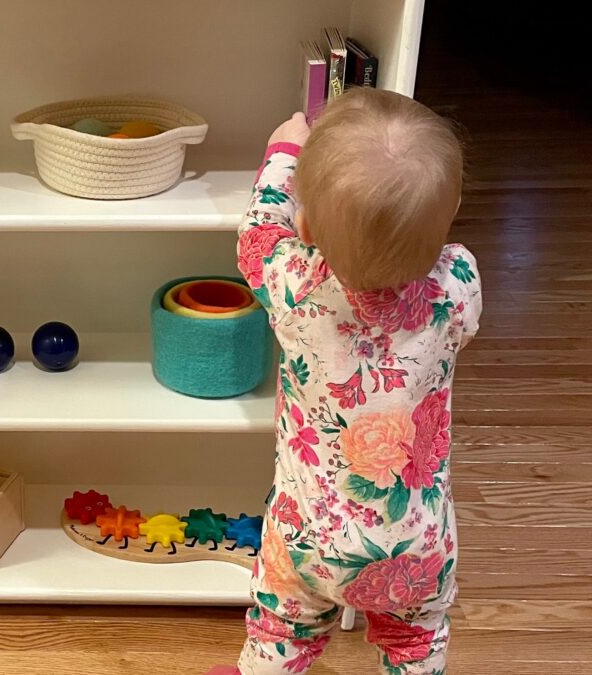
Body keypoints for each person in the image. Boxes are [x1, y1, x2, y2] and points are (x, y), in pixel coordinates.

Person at [214, 88, 482, 674]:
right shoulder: (457, 281)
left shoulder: (294, 284)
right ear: (452, 209)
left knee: (279, 634)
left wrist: (286, 152)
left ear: (305, 224)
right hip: (418, 543)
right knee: (416, 644)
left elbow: (256, 234)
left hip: (309, 537)